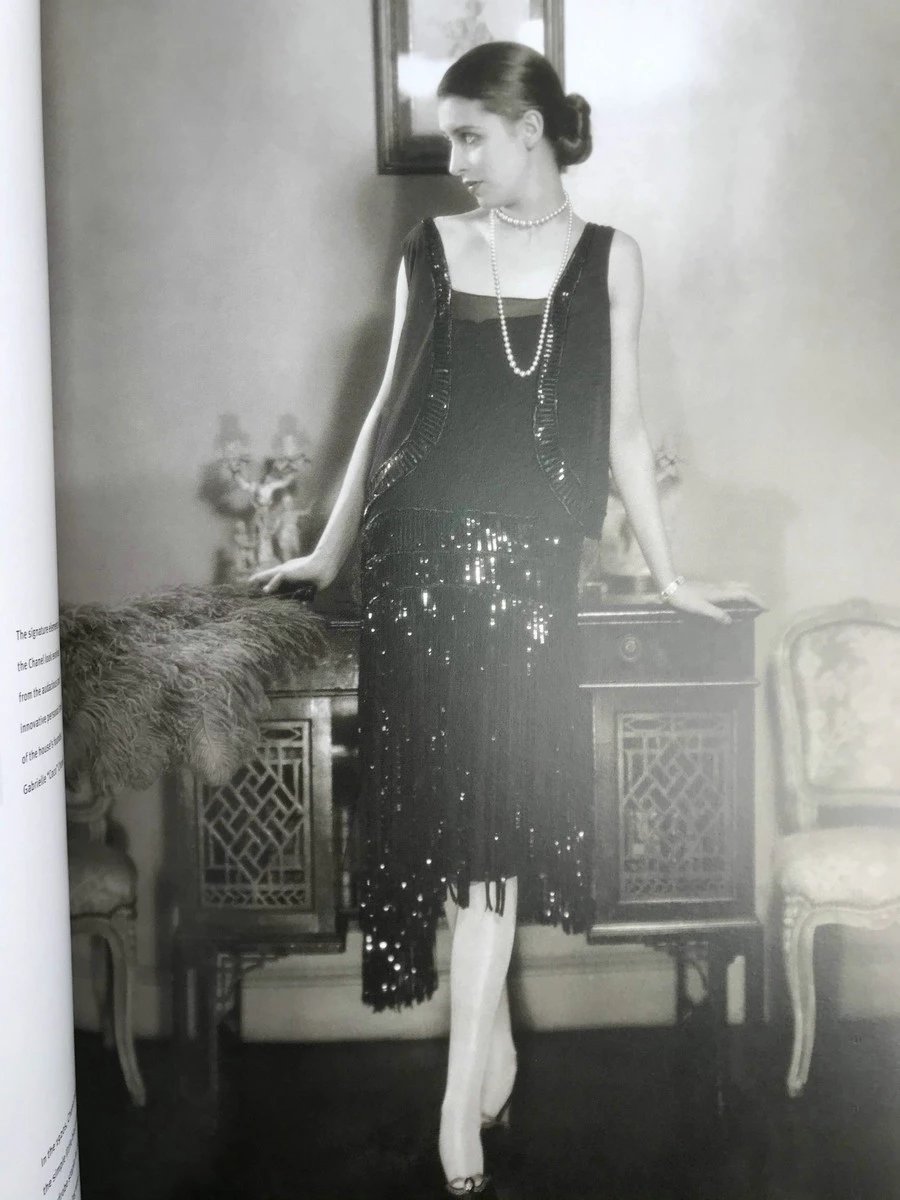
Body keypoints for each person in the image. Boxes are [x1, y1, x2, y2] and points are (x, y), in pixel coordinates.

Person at [252, 40, 751, 1199]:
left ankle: (458, 1098)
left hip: (528, 577)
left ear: (531, 130)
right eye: (448, 140)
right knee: (455, 825)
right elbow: (385, 411)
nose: (457, 160)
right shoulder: (432, 247)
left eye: (471, 136)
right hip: (415, 564)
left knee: (493, 825)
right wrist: (326, 552)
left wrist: (668, 574)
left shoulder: (613, 258)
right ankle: (485, 1067)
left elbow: (623, 430)